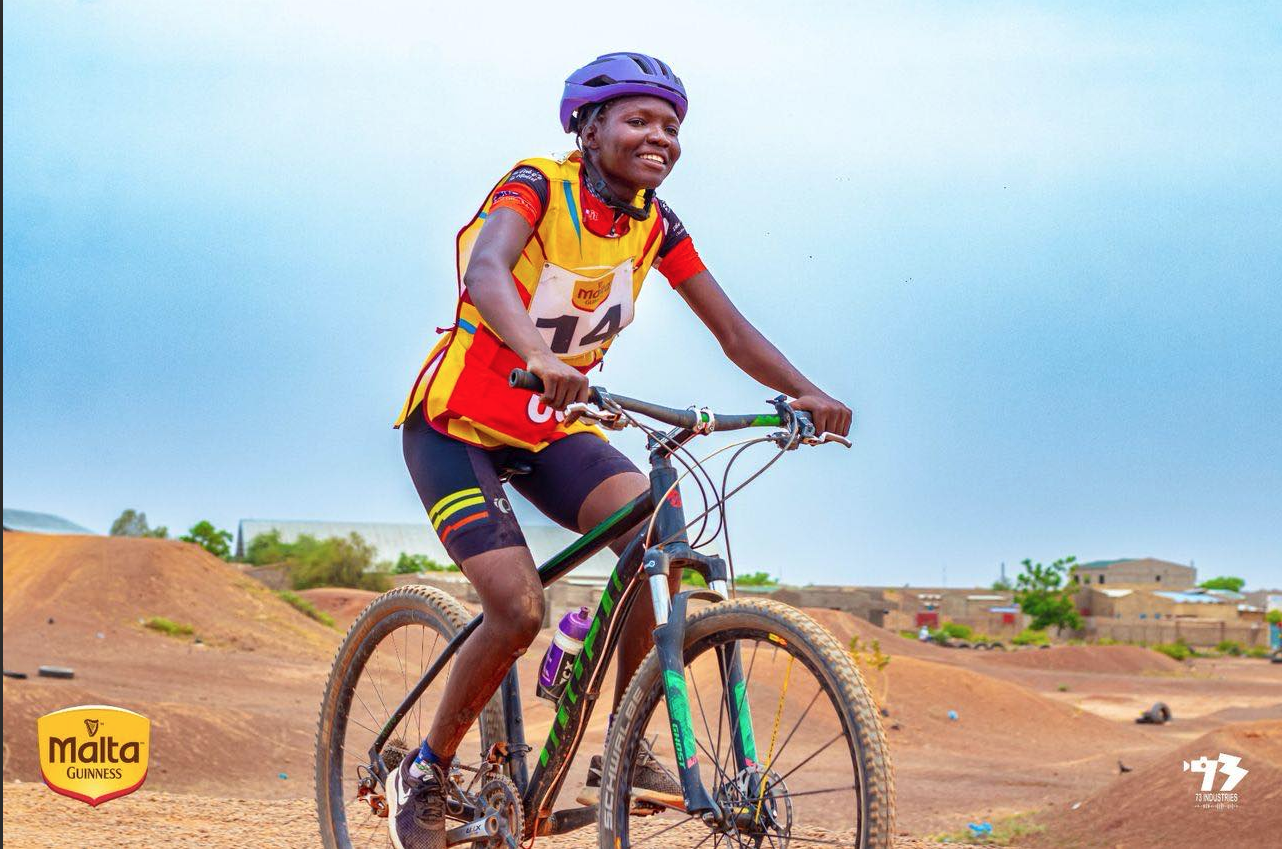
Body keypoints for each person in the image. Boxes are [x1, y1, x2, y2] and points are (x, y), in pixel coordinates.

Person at [388, 51, 853, 848]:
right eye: (639, 120)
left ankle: (628, 745)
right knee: (517, 608)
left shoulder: (656, 225)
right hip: (455, 424)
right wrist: (538, 353)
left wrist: (808, 394)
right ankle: (425, 768)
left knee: (653, 527)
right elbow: (487, 269)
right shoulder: (537, 186)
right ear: (590, 128)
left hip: (551, 425)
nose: (660, 137)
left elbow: (731, 330)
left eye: (671, 125)